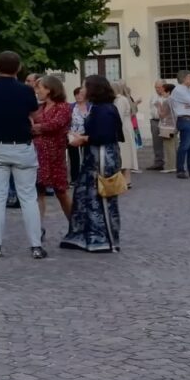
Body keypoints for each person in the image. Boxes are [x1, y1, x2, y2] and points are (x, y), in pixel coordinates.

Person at [0, 51, 45, 260]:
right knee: (28, 197)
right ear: (19, 68)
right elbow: (35, 115)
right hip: (22, 146)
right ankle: (36, 246)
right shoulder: (25, 90)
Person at [61, 75, 124, 252]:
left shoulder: (104, 109)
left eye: (84, 86)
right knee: (86, 195)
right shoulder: (100, 108)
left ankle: (103, 238)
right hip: (94, 155)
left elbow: (105, 136)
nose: (82, 90)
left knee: (100, 195)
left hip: (101, 157)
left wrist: (82, 139)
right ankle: (84, 236)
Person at [32, 76, 73, 233]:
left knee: (61, 192)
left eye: (39, 88)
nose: (37, 91)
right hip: (39, 154)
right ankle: (37, 227)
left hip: (55, 156)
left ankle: (74, 224)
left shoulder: (63, 107)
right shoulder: (40, 108)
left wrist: (38, 127)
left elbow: (56, 124)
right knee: (38, 190)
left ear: (49, 89)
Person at [111, 81, 139, 183]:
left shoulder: (120, 100)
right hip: (124, 128)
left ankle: (126, 180)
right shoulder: (119, 99)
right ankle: (125, 179)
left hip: (123, 129)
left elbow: (119, 116)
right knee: (124, 153)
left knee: (125, 153)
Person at [174, 70, 190, 178]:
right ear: (185, 78)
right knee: (185, 146)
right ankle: (180, 170)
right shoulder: (178, 90)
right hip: (185, 120)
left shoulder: (189, 90)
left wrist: (189, 105)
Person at [148, 80, 172, 172]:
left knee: (168, 143)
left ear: (164, 87)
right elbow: (151, 108)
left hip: (166, 122)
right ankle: (158, 163)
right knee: (156, 143)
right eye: (155, 87)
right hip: (155, 121)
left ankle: (171, 164)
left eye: (158, 87)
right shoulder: (153, 97)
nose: (156, 89)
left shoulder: (169, 97)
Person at [68, 86, 89, 182]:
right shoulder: (71, 107)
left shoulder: (90, 106)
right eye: (76, 94)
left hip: (86, 134)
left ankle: (87, 177)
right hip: (73, 134)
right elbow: (66, 121)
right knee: (74, 157)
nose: (78, 96)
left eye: (81, 94)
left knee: (88, 156)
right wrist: (70, 132)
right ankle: (75, 178)